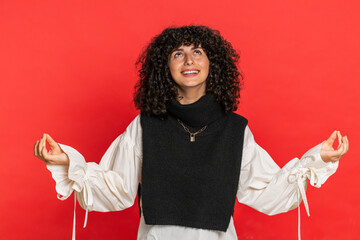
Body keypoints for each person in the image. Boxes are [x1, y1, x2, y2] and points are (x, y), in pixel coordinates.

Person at [34, 25, 349, 240]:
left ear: (213, 64)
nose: (189, 60)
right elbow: (116, 188)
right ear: (165, 67)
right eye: (178, 54)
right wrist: (67, 162)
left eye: (197, 52)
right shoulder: (144, 125)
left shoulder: (235, 129)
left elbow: (266, 192)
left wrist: (315, 161)